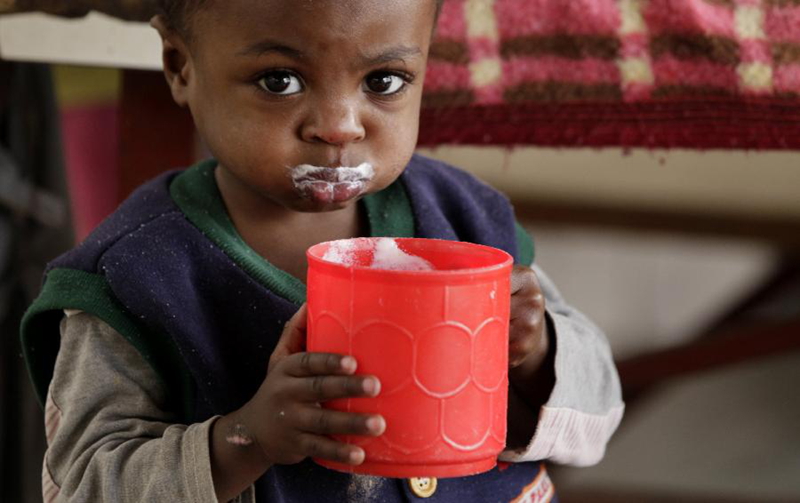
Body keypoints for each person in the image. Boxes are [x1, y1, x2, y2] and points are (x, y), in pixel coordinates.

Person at [20, 0, 624, 501]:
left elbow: (597, 416)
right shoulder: (135, 273)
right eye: (279, 81)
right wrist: (243, 441)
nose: (338, 125)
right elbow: (84, 485)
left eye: (383, 82)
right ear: (181, 68)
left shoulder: (465, 221)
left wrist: (539, 349)